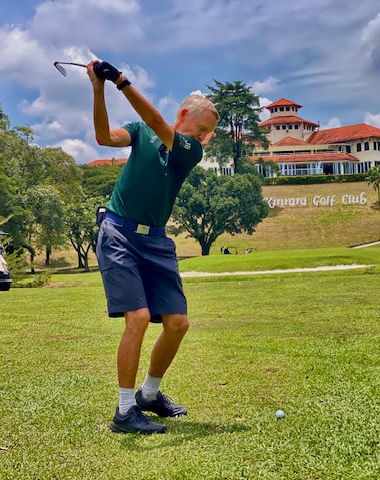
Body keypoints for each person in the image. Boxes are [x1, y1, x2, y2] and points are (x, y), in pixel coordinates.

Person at [87, 60, 219, 434]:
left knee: (178, 323)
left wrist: (121, 81)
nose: (205, 137)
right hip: (118, 232)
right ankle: (125, 411)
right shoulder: (140, 132)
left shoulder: (190, 150)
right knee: (139, 318)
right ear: (185, 115)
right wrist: (99, 87)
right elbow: (104, 137)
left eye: (208, 133)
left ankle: (148, 394)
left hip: (157, 241)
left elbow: (159, 123)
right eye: (203, 129)